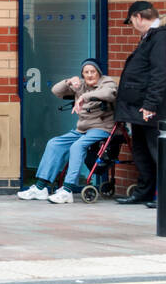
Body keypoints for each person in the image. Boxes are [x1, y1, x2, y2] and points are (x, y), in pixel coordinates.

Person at [17, 59, 117, 203]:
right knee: (54, 143)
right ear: (82, 74)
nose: (89, 75)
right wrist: (69, 81)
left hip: (102, 128)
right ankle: (40, 188)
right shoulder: (81, 84)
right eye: (86, 72)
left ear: (99, 73)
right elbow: (56, 91)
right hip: (82, 129)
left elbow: (108, 94)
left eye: (92, 72)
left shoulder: (107, 83)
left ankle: (67, 190)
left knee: (77, 146)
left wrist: (84, 97)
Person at [115, 2, 166, 208]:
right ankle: (144, 192)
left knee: (157, 151)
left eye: (132, 21)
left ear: (138, 17)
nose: (133, 25)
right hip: (138, 106)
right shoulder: (152, 36)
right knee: (141, 151)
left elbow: (160, 73)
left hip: (150, 107)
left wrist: (151, 104)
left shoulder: (161, 37)